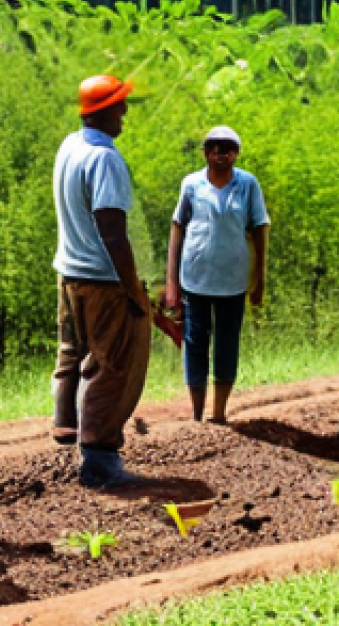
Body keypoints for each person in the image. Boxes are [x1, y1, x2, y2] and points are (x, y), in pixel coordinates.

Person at [51, 75, 151, 488]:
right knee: (110, 366)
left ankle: (66, 427)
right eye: (119, 105)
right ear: (103, 110)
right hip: (101, 279)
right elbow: (113, 231)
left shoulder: (69, 147)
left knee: (71, 353)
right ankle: (98, 457)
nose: (125, 112)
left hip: (69, 271)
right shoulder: (106, 159)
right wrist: (132, 290)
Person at [166, 126, 269, 424]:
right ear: (205, 152)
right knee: (195, 342)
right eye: (213, 147)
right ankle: (197, 414)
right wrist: (172, 281)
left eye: (227, 147)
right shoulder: (192, 185)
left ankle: (219, 413)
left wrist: (259, 278)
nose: (220, 153)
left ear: (236, 153)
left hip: (233, 280)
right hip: (195, 277)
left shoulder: (247, 185)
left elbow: (260, 228)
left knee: (226, 344)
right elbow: (177, 227)